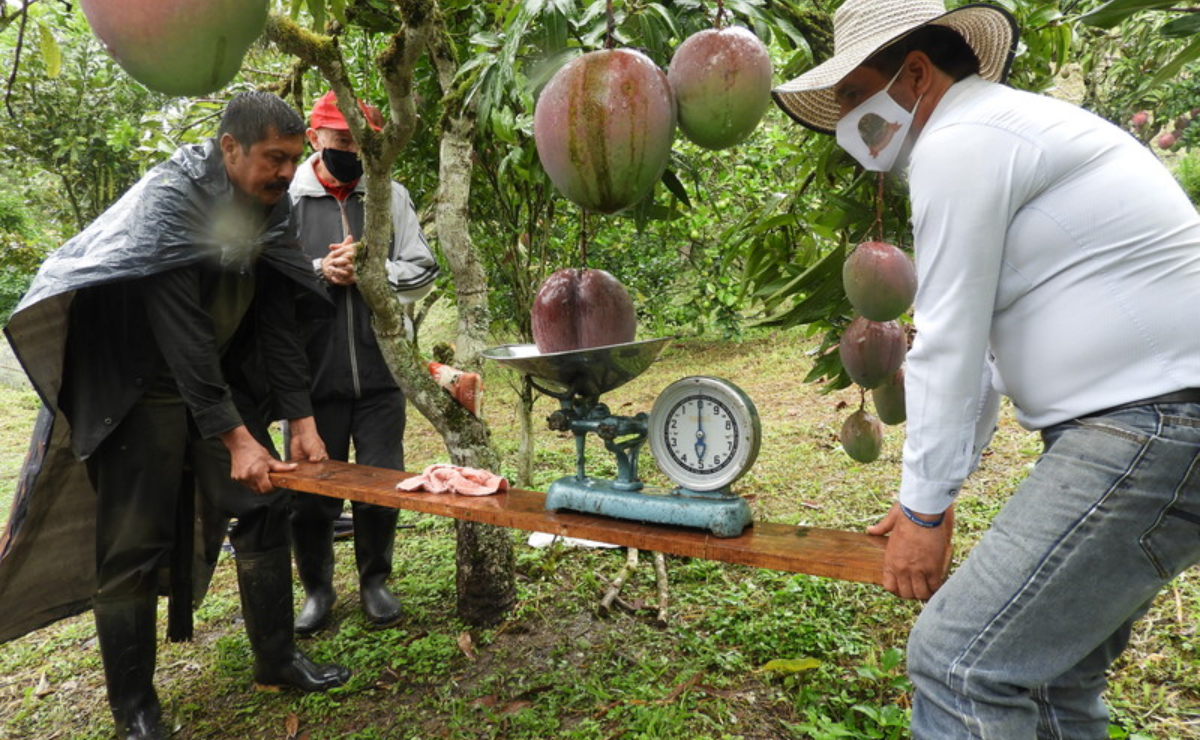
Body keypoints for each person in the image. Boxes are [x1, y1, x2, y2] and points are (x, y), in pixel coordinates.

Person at [773, 1, 1200, 737]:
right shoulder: (999, 131)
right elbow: (978, 358)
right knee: (1053, 674)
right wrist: (930, 498)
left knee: (957, 663)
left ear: (915, 74)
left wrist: (923, 513)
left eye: (853, 94)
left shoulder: (963, 139)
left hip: (1149, 423)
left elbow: (946, 342)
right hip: (1153, 423)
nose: (847, 119)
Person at [1, 91, 350, 740]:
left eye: (292, 158)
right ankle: (135, 710)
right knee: (131, 545)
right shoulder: (170, 196)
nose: (286, 172)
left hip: (216, 378)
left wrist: (300, 421)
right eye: (273, 158)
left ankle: (277, 660)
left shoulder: (271, 204)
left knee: (264, 502)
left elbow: (278, 316)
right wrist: (237, 437)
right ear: (230, 148)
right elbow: (182, 329)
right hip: (138, 389)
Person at [287, 90, 439, 633]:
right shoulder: (289, 197)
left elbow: (423, 270)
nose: (352, 151)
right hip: (310, 375)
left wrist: (374, 269)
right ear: (315, 138)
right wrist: (319, 270)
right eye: (342, 139)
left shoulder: (387, 194)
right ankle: (317, 590)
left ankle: (375, 581)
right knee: (311, 493)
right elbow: (265, 277)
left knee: (382, 482)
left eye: (361, 141)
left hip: (381, 372)